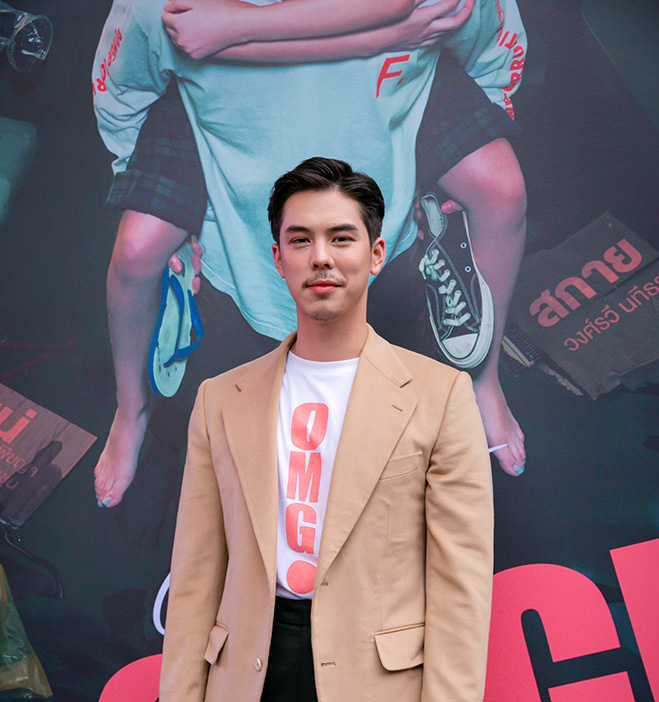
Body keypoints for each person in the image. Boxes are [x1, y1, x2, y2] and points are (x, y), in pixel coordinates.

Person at [157, 157, 494, 702]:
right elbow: (195, 578)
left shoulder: (439, 395)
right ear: (275, 257)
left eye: (342, 238)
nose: (321, 257)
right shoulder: (220, 399)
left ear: (376, 253)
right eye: (300, 239)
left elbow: (461, 590)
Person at [92, 0, 526, 512]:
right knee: (136, 251)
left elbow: (494, 49)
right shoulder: (159, 9)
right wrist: (144, 179)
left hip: (391, 94)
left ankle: (483, 377)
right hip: (218, 112)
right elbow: (121, 93)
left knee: (502, 189)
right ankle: (131, 411)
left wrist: (456, 139)